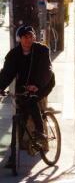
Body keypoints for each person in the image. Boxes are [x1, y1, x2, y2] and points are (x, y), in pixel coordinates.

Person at [0, 26, 55, 168]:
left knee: (31, 100)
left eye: (31, 37)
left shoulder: (42, 50)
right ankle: (13, 155)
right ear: (20, 39)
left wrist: (37, 84)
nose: (28, 40)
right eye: (25, 37)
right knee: (20, 119)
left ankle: (40, 131)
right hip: (24, 85)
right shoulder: (14, 54)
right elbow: (7, 73)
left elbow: (47, 70)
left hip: (44, 82)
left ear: (34, 37)